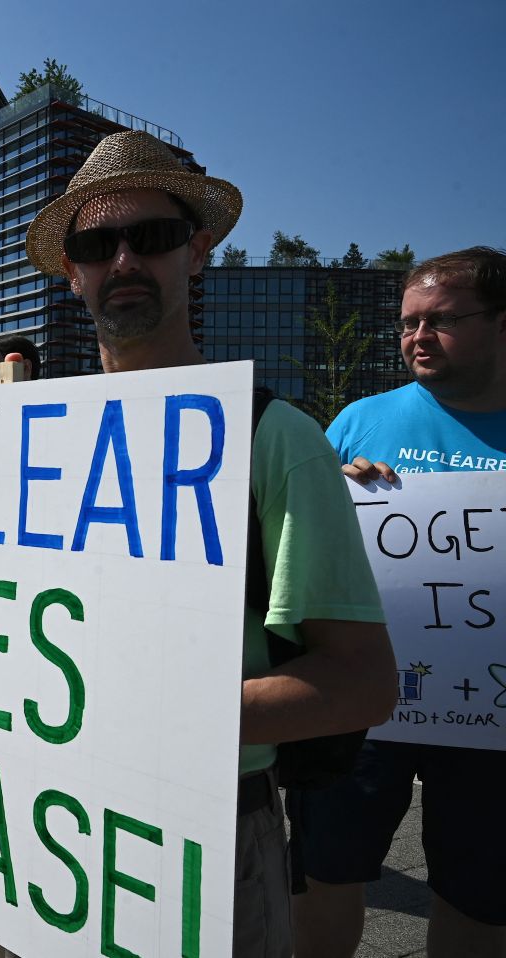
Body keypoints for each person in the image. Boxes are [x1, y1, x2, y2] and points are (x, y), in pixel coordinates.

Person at [0, 130, 396, 957]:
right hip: (17, 823)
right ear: (72, 272)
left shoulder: (275, 440)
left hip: (202, 829)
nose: (122, 262)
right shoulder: (13, 439)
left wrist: (139, 719)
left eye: (147, 238)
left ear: (196, 254)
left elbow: (363, 682)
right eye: (94, 245)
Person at [292, 247, 506, 958]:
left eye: (442, 321)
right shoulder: (359, 420)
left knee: (476, 896)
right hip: (365, 697)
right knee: (326, 872)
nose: (417, 337)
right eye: (408, 323)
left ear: (502, 325)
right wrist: (341, 493)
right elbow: (305, 545)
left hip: (490, 716)